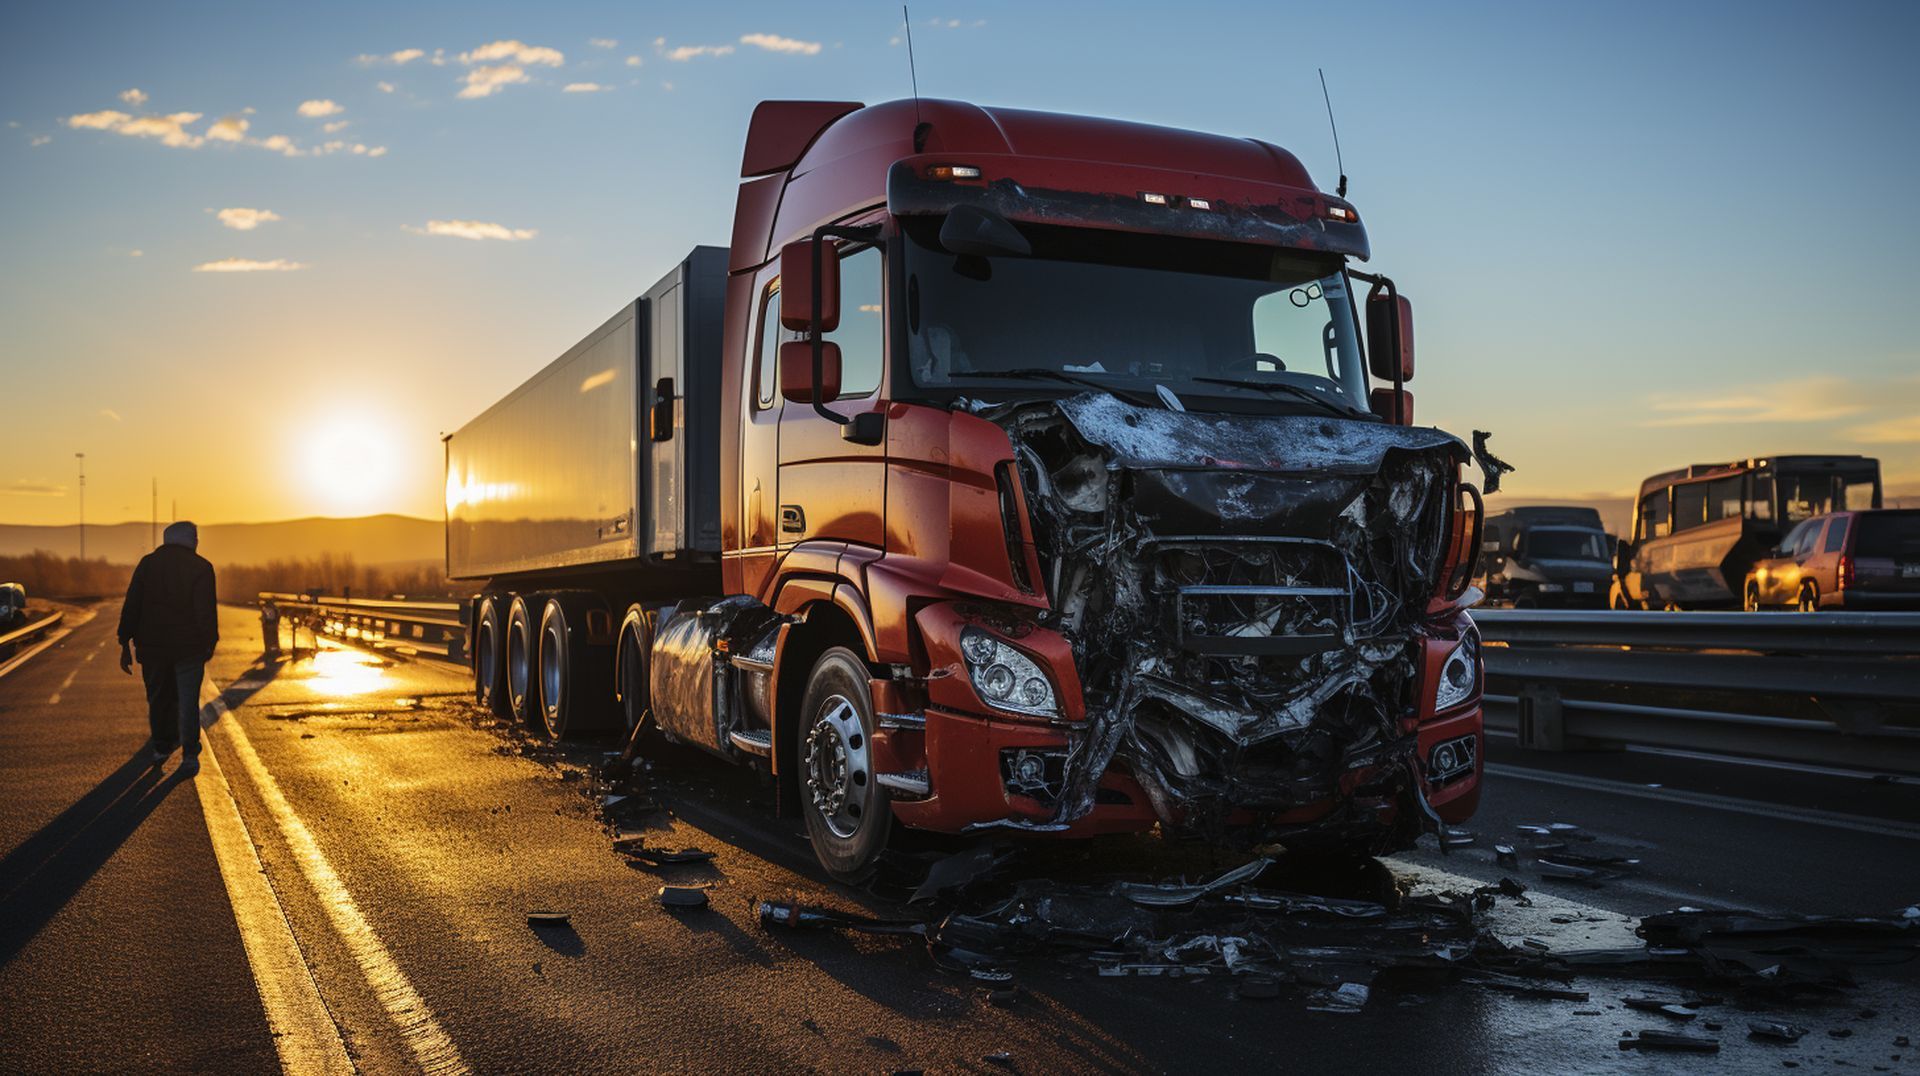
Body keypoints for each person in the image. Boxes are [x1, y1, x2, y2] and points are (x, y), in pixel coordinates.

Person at [118, 520, 218, 774]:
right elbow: (205, 611)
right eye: (195, 538)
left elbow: (132, 605)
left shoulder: (147, 565)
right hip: (189, 648)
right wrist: (209, 643)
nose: (197, 542)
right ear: (189, 540)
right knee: (187, 701)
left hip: (152, 648)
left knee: (159, 698)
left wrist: (124, 642)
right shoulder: (201, 567)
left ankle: (161, 747)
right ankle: (189, 755)